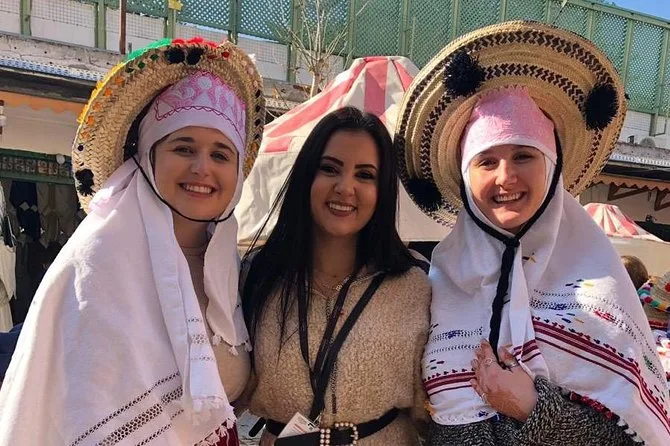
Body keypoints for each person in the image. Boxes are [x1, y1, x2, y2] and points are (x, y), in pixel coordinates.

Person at [394, 21, 670, 445]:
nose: (506, 177)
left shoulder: (602, 292)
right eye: (486, 161)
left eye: (523, 155)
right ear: (466, 177)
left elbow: (638, 438)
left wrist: (532, 408)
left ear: (551, 167)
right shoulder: (441, 281)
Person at [0, 37, 265, 445]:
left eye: (220, 154)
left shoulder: (230, 272)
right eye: (183, 147)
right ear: (147, 156)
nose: (202, 168)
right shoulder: (95, 268)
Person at [242, 107, 431, 445]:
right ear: (306, 176)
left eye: (365, 175)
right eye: (329, 168)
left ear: (383, 190)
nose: (345, 187)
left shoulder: (416, 285)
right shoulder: (257, 275)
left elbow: (434, 412)